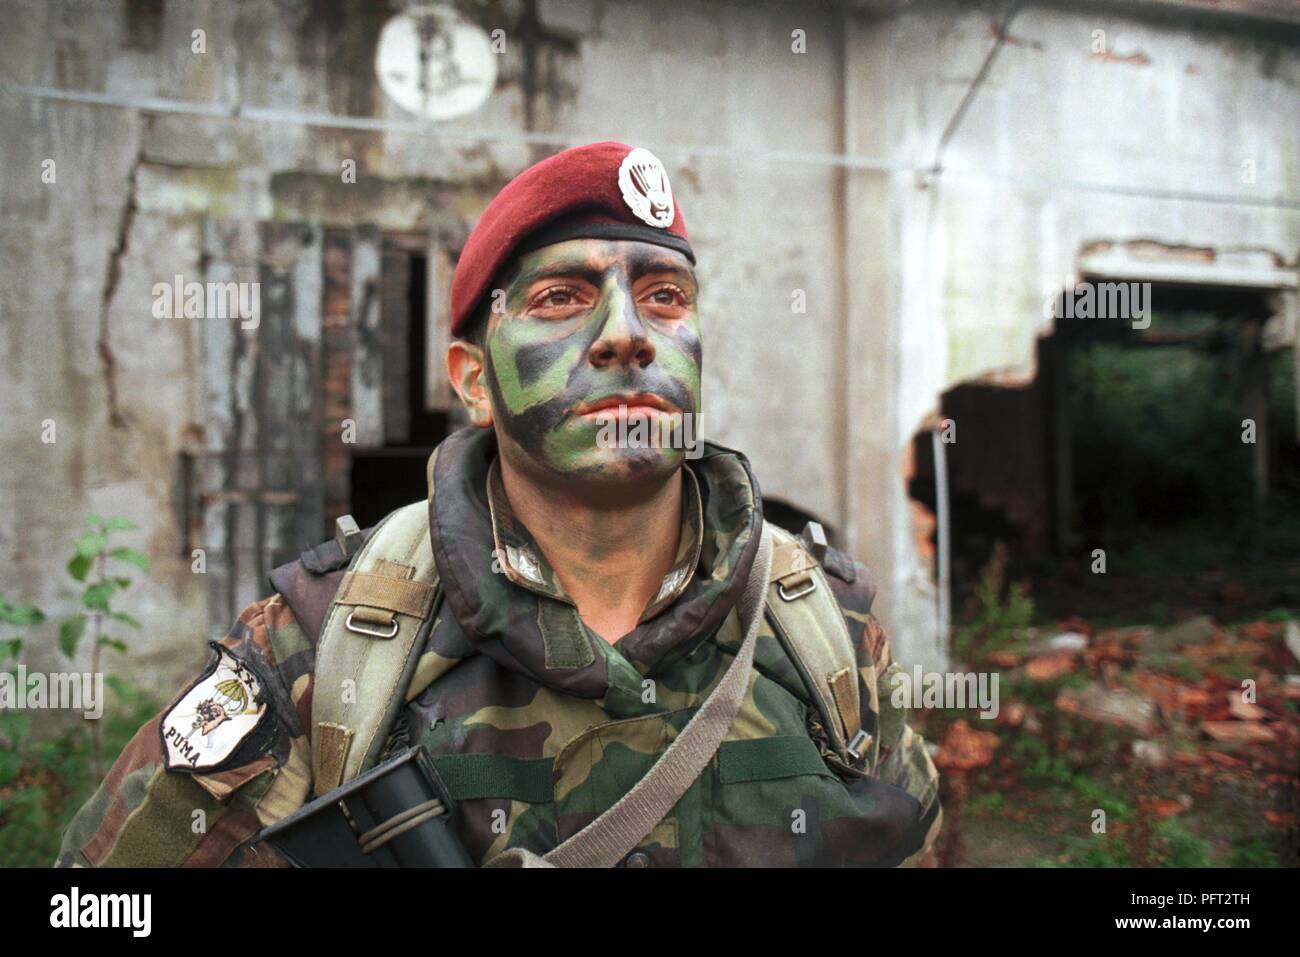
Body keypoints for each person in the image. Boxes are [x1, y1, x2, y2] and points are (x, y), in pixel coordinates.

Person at [57, 142, 941, 868]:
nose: (630, 334)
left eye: (666, 297)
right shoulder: (320, 650)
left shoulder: (823, 624)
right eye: (563, 297)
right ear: (475, 378)